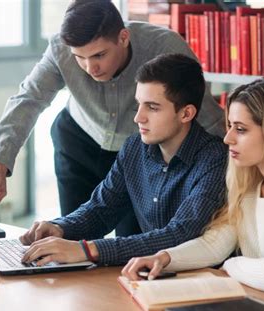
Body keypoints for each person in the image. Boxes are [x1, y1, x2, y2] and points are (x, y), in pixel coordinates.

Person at [0, 0, 224, 237]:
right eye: (79, 58)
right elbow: (29, 98)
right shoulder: (60, 49)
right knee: (69, 232)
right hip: (78, 142)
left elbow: (204, 112)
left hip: (136, 154)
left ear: (123, 38)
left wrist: (237, 166)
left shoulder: (165, 48)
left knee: (133, 242)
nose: (90, 68)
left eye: (99, 55)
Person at [121, 76, 264, 295]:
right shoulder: (250, 189)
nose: (228, 138)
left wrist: (231, 264)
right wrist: (163, 258)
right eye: (230, 126)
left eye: (241, 129)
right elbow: (214, 245)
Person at [18, 53, 227, 267]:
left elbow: (178, 236)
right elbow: (101, 210)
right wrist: (60, 228)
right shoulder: (135, 147)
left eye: (152, 107)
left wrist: (87, 250)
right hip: (150, 276)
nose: (138, 117)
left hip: (200, 280)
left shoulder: (215, 160)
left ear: (186, 114)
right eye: (139, 105)